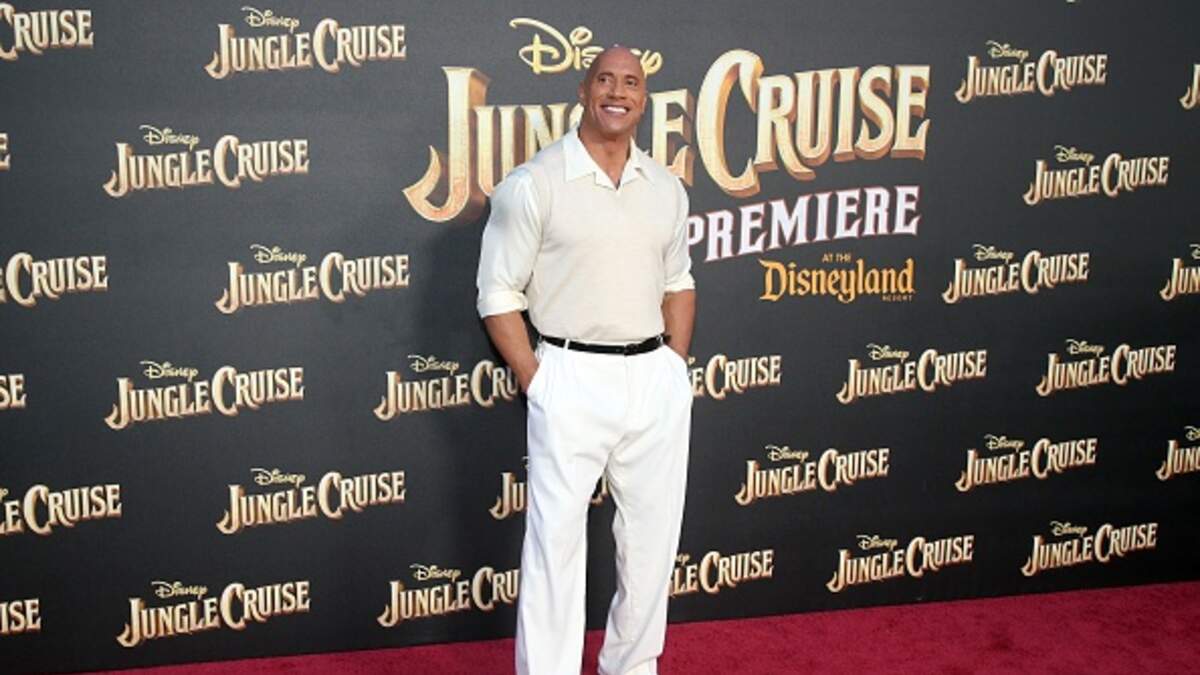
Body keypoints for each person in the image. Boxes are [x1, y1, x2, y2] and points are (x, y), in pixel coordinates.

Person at [475, 45, 696, 675]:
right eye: (606, 79)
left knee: (652, 544)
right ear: (583, 90)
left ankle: (632, 666)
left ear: (643, 99)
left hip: (651, 377)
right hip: (570, 375)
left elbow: (678, 281)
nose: (618, 92)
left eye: (631, 83)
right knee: (555, 546)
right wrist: (537, 380)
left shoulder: (665, 188)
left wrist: (673, 368)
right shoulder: (536, 182)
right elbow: (497, 292)